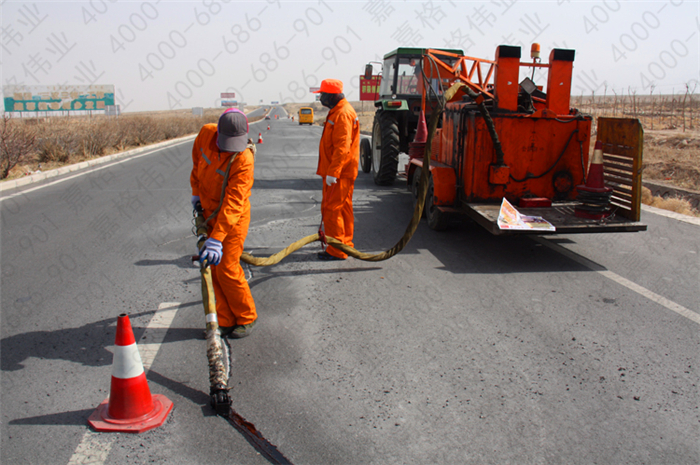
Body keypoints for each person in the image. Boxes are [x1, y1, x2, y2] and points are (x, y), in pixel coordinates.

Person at [190, 108, 257, 338]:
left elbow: (234, 203)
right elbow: (197, 162)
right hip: (208, 210)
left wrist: (217, 239)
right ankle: (226, 319)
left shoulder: (244, 159)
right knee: (213, 268)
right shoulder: (205, 134)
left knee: (227, 268)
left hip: (233, 218)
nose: (229, 149)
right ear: (217, 133)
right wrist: (196, 193)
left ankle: (246, 317)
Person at [314, 79, 360, 260]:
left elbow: (342, 146)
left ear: (332, 96)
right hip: (342, 171)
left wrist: (333, 172)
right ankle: (345, 244)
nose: (320, 98)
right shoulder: (339, 111)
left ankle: (337, 250)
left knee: (332, 209)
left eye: (322, 95)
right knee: (344, 208)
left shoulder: (342, 114)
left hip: (339, 172)